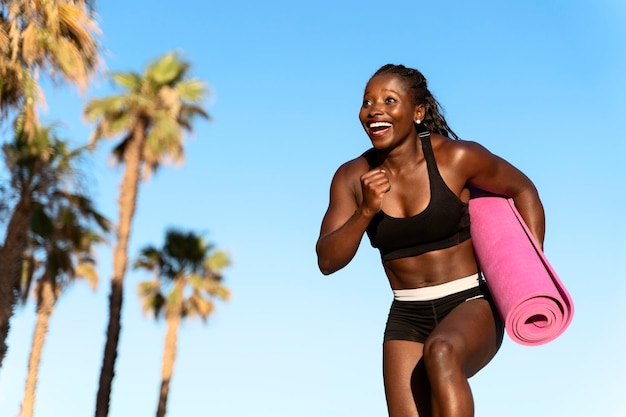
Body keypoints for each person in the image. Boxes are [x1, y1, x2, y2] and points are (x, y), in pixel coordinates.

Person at [315, 64, 545, 417]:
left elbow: (523, 189)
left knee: (442, 352)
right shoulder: (351, 177)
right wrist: (365, 211)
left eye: (389, 100)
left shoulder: (457, 158)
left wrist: (528, 275)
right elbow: (327, 261)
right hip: (406, 314)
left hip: (470, 301)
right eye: (367, 102)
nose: (374, 109)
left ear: (417, 112)